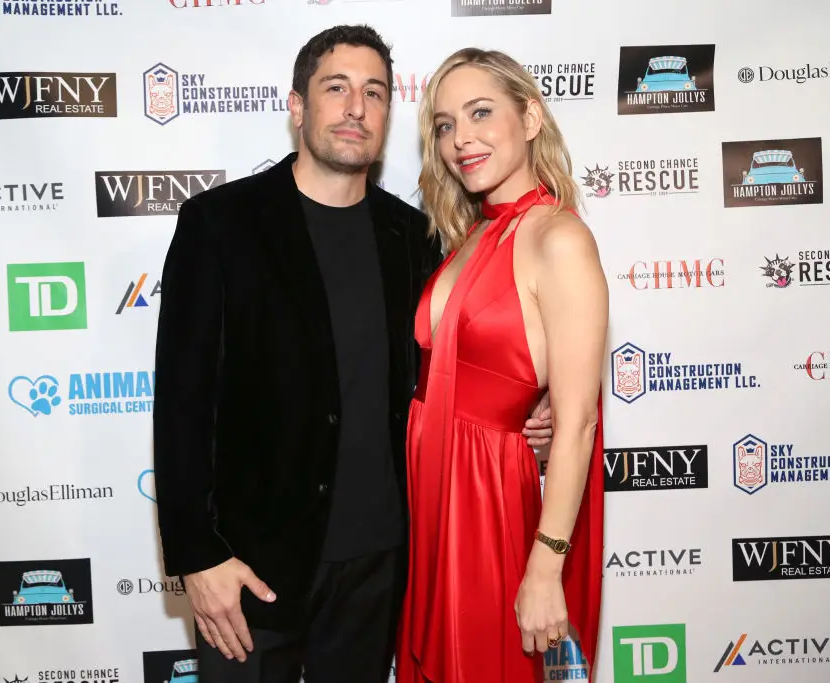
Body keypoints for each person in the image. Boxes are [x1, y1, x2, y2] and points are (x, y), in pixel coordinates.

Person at [152, 26, 554, 683]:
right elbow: (180, 404)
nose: (356, 108)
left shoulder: (416, 237)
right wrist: (198, 555)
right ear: (297, 105)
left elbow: (459, 364)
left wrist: (526, 407)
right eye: (336, 88)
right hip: (250, 567)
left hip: (381, 567)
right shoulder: (220, 224)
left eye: (374, 92)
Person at [395, 48, 607, 683]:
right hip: (433, 496)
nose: (461, 138)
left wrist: (546, 567)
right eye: (445, 124)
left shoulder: (559, 239)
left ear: (531, 118)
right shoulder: (475, 235)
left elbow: (577, 424)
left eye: (481, 112)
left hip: (485, 500)